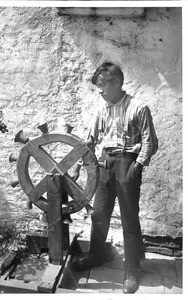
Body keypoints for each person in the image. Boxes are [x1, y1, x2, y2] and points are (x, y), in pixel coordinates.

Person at [71, 62, 158, 294]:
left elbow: (150, 142)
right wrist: (77, 162)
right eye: (98, 87)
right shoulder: (102, 109)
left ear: (117, 82)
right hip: (104, 164)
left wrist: (136, 167)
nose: (100, 91)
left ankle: (131, 270)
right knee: (99, 213)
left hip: (127, 163)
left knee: (129, 218)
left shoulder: (139, 107)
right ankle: (96, 255)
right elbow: (90, 140)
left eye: (103, 86)